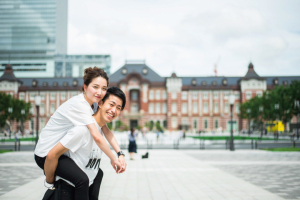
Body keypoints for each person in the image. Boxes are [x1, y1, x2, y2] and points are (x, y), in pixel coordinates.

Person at [34, 67, 126, 200]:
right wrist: (113, 159)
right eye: (95, 87)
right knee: (81, 180)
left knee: (96, 173)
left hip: (59, 149)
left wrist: (120, 154)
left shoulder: (93, 105)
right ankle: (52, 187)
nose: (100, 92)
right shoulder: (80, 105)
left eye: (104, 88)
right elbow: (97, 136)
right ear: (85, 87)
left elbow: (105, 129)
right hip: (45, 152)